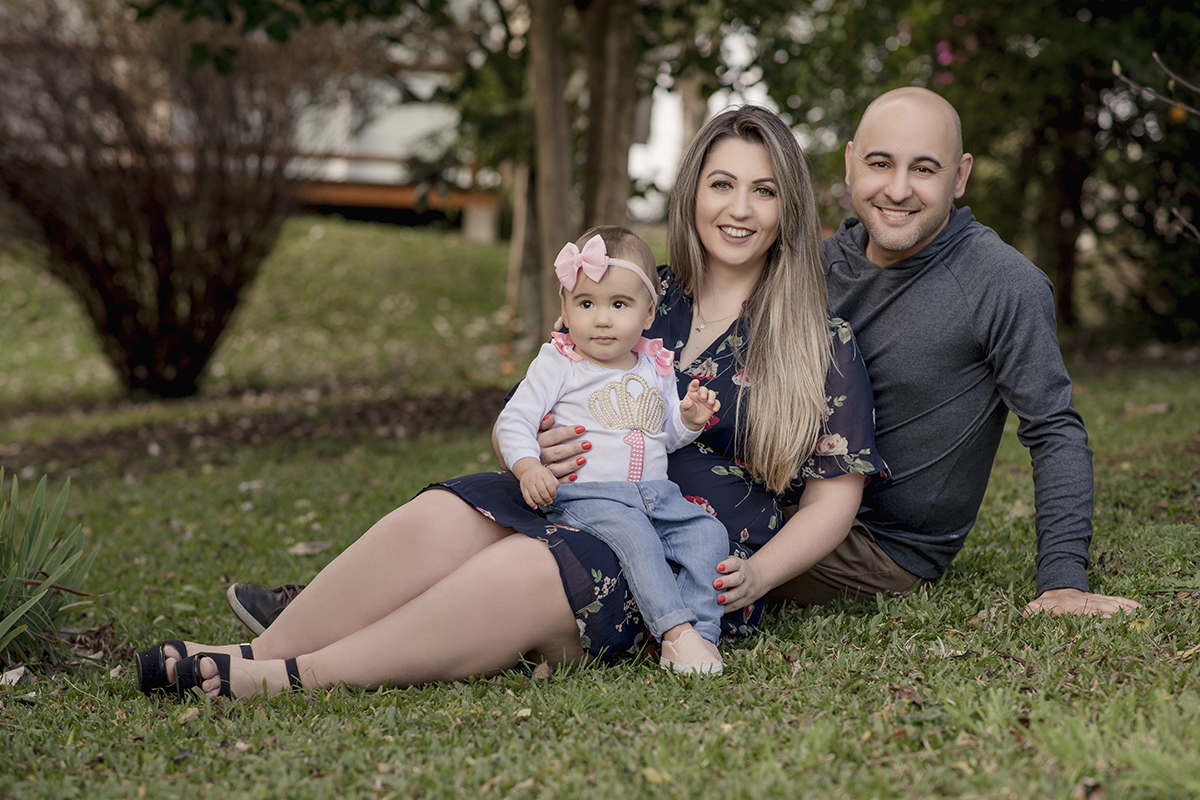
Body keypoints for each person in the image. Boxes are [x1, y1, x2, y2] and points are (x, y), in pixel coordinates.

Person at [136, 104, 887, 700]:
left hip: (681, 548)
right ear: (692, 190)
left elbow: (832, 504)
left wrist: (757, 578)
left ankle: (293, 678)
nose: (740, 208)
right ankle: (259, 650)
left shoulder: (818, 341)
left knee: (527, 570)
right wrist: (539, 448)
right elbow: (549, 391)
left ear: (788, 208)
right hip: (577, 491)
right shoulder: (632, 292)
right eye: (722, 183)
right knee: (449, 511)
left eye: (763, 190)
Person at [764, 86, 1140, 617]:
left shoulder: (1001, 283)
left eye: (924, 169)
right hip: (773, 500)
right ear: (850, 164)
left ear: (960, 176)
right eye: (879, 163)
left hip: (880, 547)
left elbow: (1054, 429)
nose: (897, 189)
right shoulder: (811, 267)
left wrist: (1063, 581)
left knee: (687, 560)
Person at [499, 225, 727, 674]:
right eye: (586, 304)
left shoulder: (655, 365)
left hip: (657, 494)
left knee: (708, 534)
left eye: (618, 305)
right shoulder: (560, 362)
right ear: (565, 307)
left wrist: (689, 420)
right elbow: (514, 419)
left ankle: (702, 634)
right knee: (636, 539)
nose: (601, 319)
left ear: (647, 314)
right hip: (591, 496)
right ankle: (675, 633)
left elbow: (665, 435)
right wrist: (528, 467)